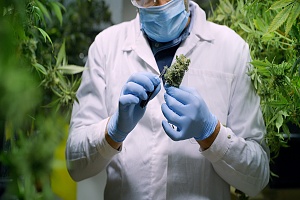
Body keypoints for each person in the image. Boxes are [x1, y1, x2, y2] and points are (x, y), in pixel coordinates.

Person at [66, 0, 270, 199]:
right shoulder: (105, 47)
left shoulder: (232, 49)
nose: (159, 4)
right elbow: (75, 166)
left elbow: (257, 178)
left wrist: (211, 133)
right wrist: (113, 130)